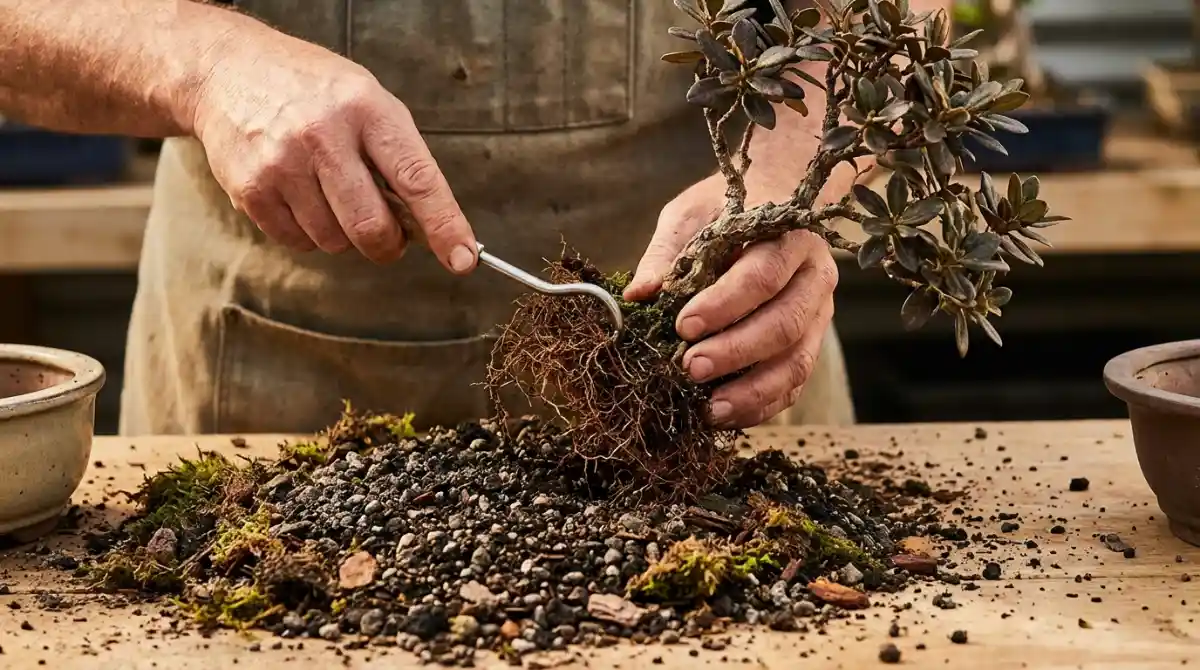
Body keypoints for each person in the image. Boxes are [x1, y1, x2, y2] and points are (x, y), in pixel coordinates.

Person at [0, 0, 939, 436]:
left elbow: (897, 19)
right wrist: (202, 64)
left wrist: (786, 185)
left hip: (716, 390)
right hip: (266, 391)